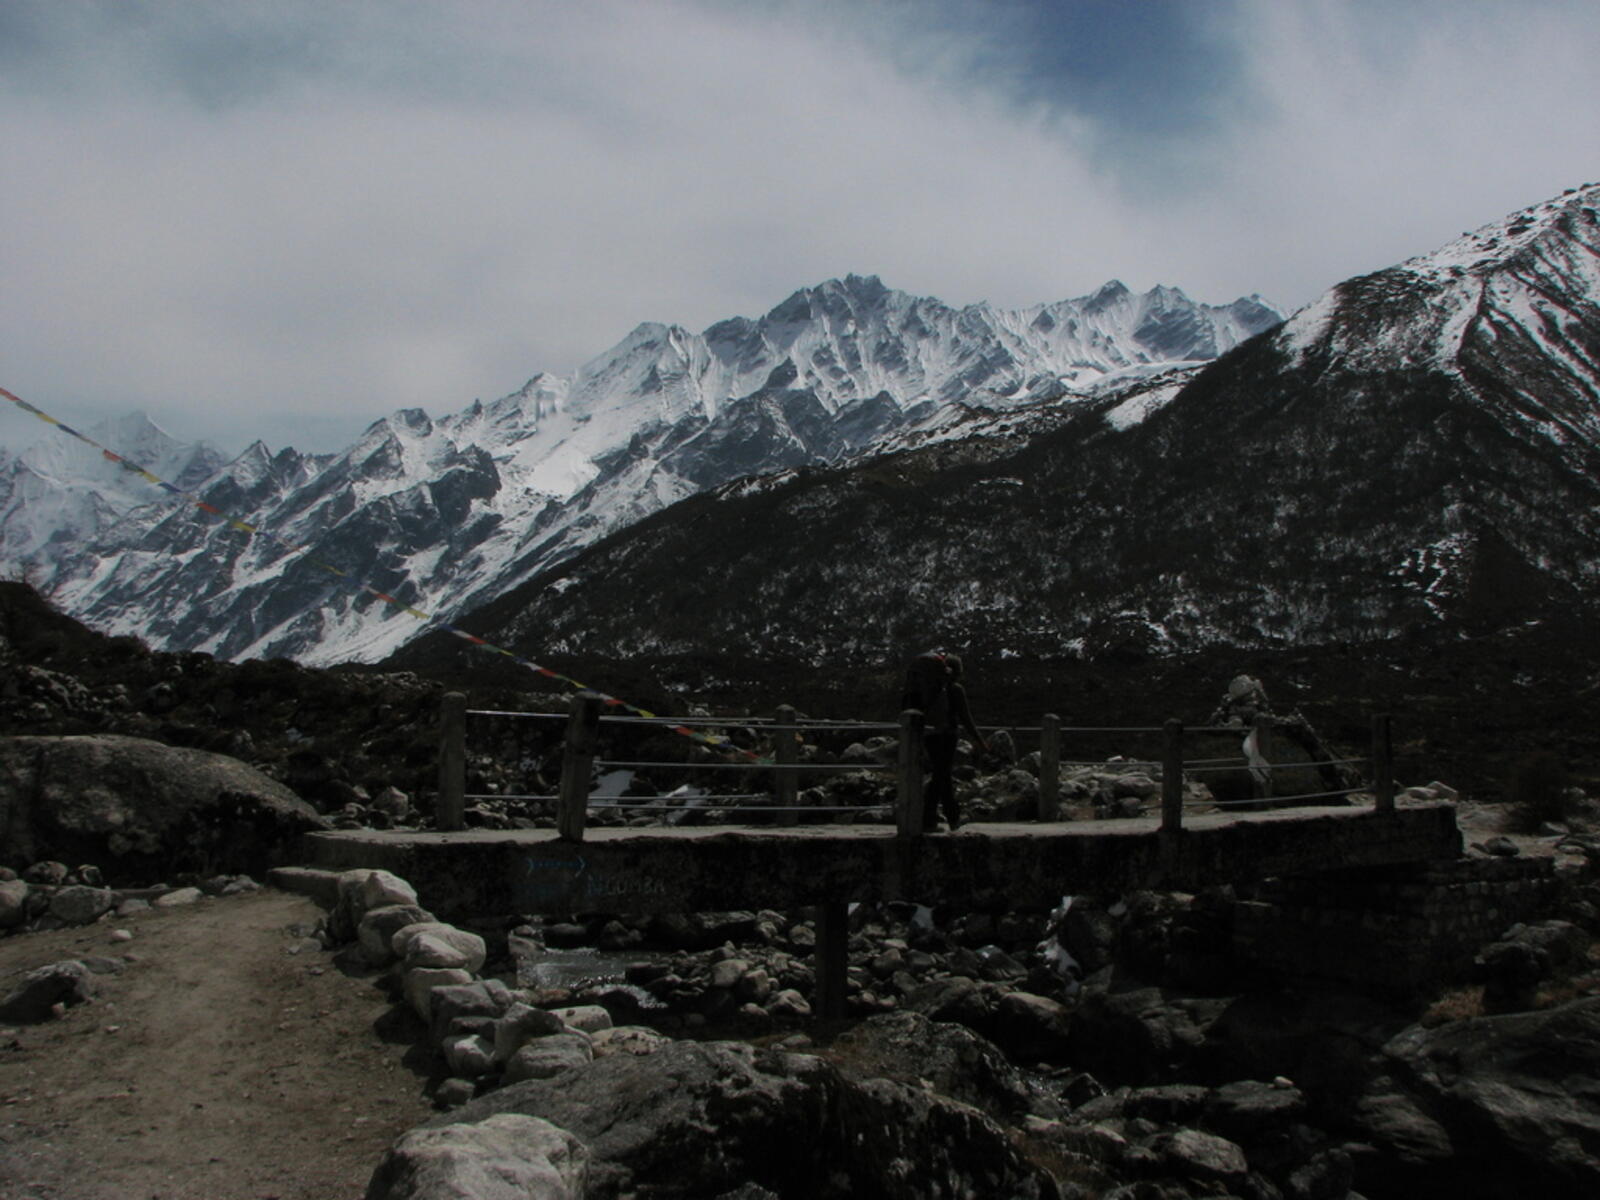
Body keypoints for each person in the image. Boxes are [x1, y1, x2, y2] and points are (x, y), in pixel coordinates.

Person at [901, 650, 989, 831]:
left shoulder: (928, 687)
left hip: (928, 735)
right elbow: (966, 718)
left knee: (942, 776)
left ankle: (951, 818)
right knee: (941, 776)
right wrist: (979, 740)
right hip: (947, 736)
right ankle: (931, 819)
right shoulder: (955, 689)